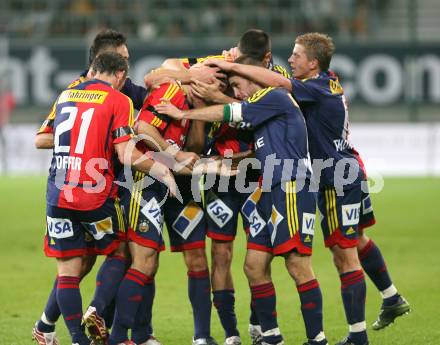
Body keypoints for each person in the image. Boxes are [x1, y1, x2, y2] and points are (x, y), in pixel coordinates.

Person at [205, 32, 410, 345]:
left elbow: (277, 85)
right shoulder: (325, 83)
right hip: (345, 170)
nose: (291, 59)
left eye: (297, 55)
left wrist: (231, 65)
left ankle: (357, 337)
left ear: (313, 63)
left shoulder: (311, 88)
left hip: (334, 178)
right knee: (355, 240)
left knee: (344, 253)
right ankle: (391, 296)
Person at [155, 55, 329, 345]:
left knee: (296, 263)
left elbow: (233, 112)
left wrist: (190, 112)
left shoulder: (272, 95)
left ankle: (313, 338)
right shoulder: (244, 99)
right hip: (244, 185)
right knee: (249, 263)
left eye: (236, 84)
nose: (235, 90)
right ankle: (258, 335)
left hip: (278, 185)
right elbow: (158, 75)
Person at [145, 29, 290, 345]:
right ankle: (231, 332)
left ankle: (259, 321)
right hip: (219, 178)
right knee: (221, 254)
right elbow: (153, 76)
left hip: (256, 176)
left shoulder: (276, 78)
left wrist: (217, 99)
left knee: (259, 257)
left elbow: (262, 116)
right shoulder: (216, 63)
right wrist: (189, 76)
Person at [32, 28, 164, 345]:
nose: (128, 66)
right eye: (125, 59)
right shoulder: (102, 94)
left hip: (64, 190)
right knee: (110, 255)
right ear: (109, 63)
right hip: (96, 188)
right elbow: (41, 139)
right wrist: (94, 137)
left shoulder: (72, 94)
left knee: (75, 264)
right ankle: (86, 320)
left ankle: (64, 330)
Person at [108, 79, 218, 345]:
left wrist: (199, 113)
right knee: (146, 260)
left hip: (184, 184)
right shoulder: (171, 90)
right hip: (146, 180)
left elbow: (195, 148)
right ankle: (136, 335)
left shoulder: (208, 105)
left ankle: (202, 336)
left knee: (197, 258)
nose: (212, 83)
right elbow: (143, 127)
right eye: (210, 78)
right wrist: (173, 154)